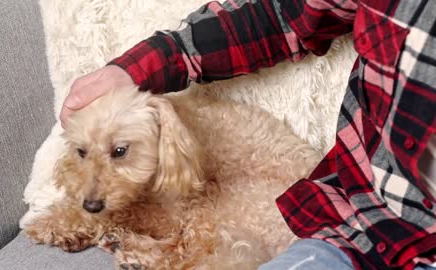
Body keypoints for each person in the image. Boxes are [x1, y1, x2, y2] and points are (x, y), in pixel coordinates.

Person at [59, 0, 436, 269]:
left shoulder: (174, 136)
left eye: (119, 151)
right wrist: (137, 68)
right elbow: (277, 14)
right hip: (361, 227)